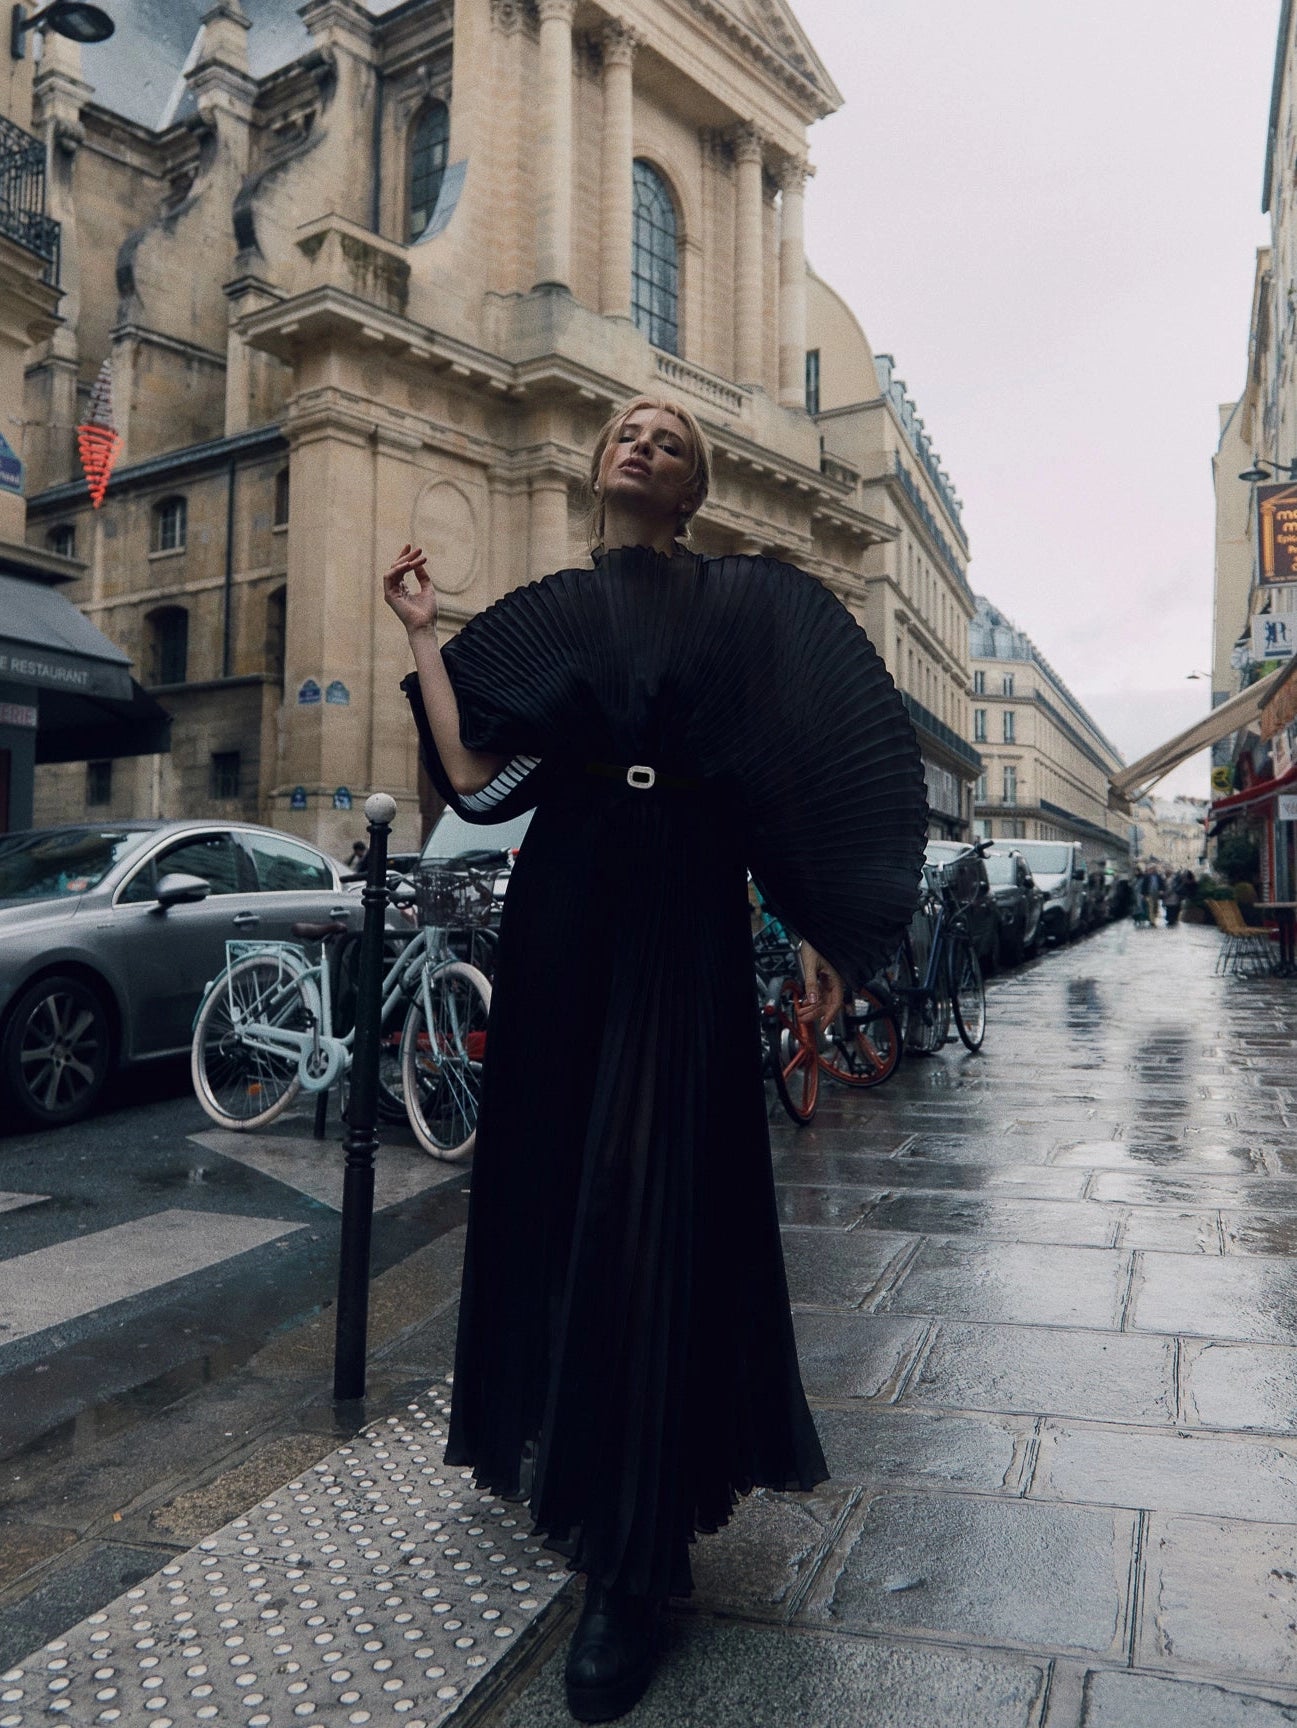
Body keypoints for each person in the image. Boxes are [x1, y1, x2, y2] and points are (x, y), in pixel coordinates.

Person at [384, 396, 926, 1723]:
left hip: (684, 911)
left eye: (670, 440)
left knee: (650, 1198)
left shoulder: (733, 615)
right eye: (626, 430)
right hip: (565, 908)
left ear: (692, 491)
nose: (642, 441)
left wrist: (817, 930)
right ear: (596, 465)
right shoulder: (555, 607)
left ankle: (634, 1561)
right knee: (570, 1197)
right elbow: (470, 773)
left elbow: (794, 781)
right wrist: (419, 635)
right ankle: (595, 1488)